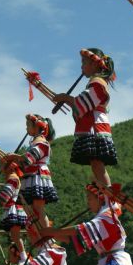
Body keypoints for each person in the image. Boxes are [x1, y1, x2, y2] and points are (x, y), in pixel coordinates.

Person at [52, 48, 117, 186]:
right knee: (95, 164)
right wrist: (70, 100)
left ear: (94, 64)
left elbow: (84, 102)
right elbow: (83, 104)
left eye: (84, 62)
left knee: (97, 164)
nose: (81, 67)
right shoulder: (96, 82)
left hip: (96, 126)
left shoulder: (98, 82)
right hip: (94, 123)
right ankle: (104, 192)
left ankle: (109, 194)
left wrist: (65, 97)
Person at [6, 113, 58, 227]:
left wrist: (15, 157)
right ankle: (41, 231)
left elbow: (29, 159)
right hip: (32, 175)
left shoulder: (42, 142)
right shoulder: (37, 141)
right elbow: (26, 160)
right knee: (31, 207)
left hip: (38, 175)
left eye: (28, 125)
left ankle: (46, 234)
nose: (26, 128)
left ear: (36, 126)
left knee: (38, 207)